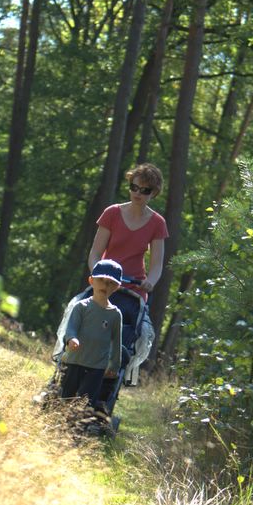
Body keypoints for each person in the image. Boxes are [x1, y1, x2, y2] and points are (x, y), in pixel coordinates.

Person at [88, 163, 168, 303]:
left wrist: (150, 282)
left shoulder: (158, 223)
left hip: (134, 289)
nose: (138, 193)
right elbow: (95, 253)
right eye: (134, 187)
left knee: (143, 325)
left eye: (145, 190)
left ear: (154, 193)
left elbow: (156, 265)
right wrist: (98, 274)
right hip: (105, 285)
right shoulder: (112, 213)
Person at [60, 259, 123, 409]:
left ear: (117, 287)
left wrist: (114, 364)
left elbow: (116, 342)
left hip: (97, 366)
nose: (105, 285)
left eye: (110, 283)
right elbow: (72, 328)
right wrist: (72, 338)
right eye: (101, 280)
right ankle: (61, 418)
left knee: (86, 399)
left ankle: (80, 423)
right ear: (91, 281)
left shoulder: (115, 314)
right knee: (67, 394)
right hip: (75, 360)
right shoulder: (81, 307)